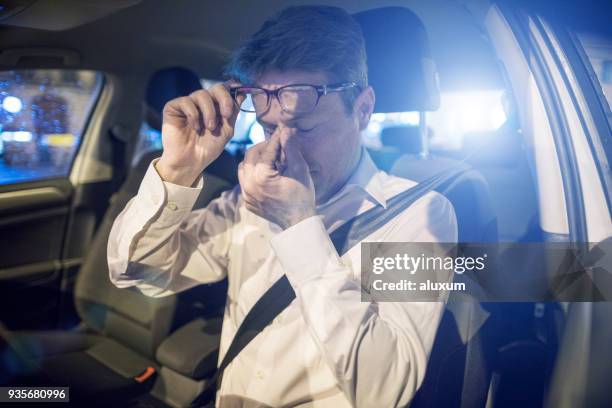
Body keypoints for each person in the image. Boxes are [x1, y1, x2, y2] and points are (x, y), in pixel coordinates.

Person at [108, 5, 456, 407]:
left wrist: (297, 224)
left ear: (362, 109)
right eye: (270, 127)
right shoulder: (247, 198)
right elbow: (136, 272)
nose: (281, 148)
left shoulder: (420, 215)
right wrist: (177, 171)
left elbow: (384, 390)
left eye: (305, 128)